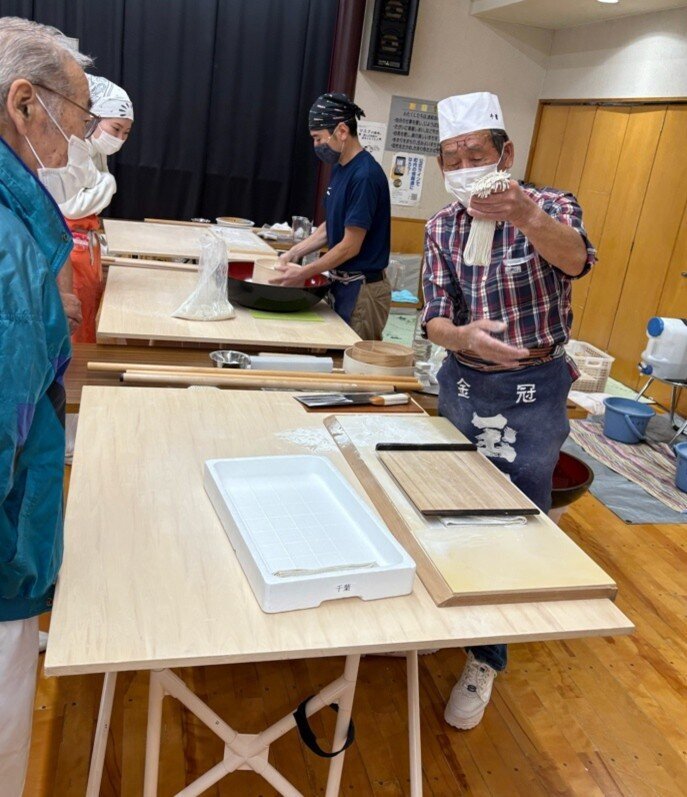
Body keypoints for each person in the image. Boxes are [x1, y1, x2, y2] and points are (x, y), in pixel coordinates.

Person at [422, 92, 595, 730]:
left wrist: (524, 214)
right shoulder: (443, 225)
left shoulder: (550, 205)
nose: (465, 165)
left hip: (534, 386)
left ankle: (487, 655)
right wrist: (461, 336)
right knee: (442, 503)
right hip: (463, 382)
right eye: (452, 157)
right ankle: (443, 610)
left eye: (476, 152)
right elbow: (435, 317)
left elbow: (576, 259)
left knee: (516, 520)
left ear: (507, 153)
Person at [0, 18, 93, 793]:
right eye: (80, 116)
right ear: (24, 102)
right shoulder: (9, 242)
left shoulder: (23, 215)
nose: (83, 139)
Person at [272, 92, 391, 340]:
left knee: (356, 362)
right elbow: (331, 227)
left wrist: (304, 273)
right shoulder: (340, 169)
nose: (317, 146)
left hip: (363, 289)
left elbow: (349, 246)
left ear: (342, 131)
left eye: (318, 138)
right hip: (341, 282)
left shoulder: (365, 175)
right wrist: (293, 253)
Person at [59, 74, 134, 342]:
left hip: (86, 246)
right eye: (116, 129)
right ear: (93, 118)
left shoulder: (95, 150)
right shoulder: (73, 147)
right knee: (74, 325)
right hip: (71, 248)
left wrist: (101, 184)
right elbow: (72, 206)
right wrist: (108, 183)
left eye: (126, 133)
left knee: (87, 315)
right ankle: (73, 380)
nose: (120, 138)